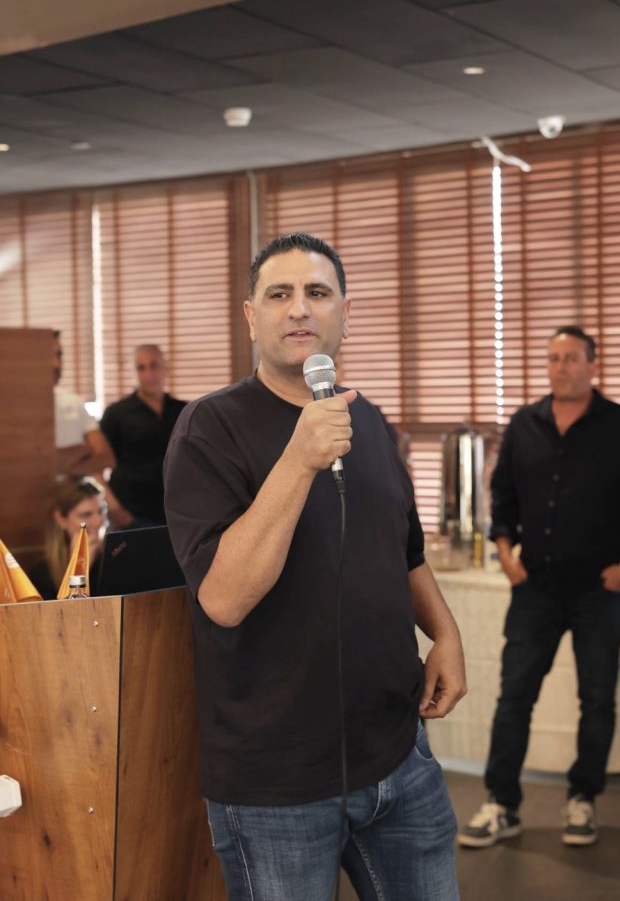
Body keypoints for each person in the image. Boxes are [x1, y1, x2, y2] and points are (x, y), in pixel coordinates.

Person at [163, 232, 467, 901]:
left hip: (398, 756)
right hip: (278, 784)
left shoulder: (369, 420)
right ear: (252, 317)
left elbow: (405, 551)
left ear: (345, 314)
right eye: (280, 294)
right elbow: (224, 599)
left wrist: (445, 634)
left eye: (317, 293)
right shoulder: (209, 428)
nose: (299, 308)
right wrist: (298, 459)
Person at [458, 325, 620, 850]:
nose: (561, 367)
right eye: (553, 358)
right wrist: (506, 554)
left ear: (593, 365)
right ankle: (501, 803)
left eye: (572, 358)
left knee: (596, 699)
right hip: (535, 587)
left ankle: (583, 798)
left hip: (600, 589)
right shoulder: (524, 424)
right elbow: (502, 498)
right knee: (514, 696)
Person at [100, 345, 186, 528]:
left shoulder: (184, 411)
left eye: (154, 365)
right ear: (132, 372)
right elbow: (95, 468)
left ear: (165, 368)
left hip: (177, 514)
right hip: (131, 514)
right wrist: (116, 510)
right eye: (141, 368)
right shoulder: (116, 413)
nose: (149, 374)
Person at [30, 475, 108, 600]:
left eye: (102, 510)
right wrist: (79, 568)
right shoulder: (41, 575)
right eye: (86, 514)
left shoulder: (116, 557)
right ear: (60, 519)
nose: (98, 521)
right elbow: (64, 611)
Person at [52, 331, 114, 476]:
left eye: (59, 355)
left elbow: (106, 457)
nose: (56, 364)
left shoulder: (74, 403)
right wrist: (81, 450)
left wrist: (62, 472)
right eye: (48, 356)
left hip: (72, 488)